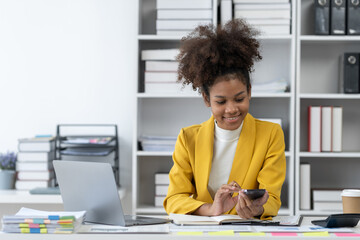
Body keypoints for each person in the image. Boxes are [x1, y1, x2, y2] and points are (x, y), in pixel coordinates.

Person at [163, 19, 286, 220]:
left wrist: (258, 208)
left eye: (239, 99)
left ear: (249, 92)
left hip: (247, 230)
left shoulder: (270, 134)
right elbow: (174, 198)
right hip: (203, 230)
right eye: (220, 102)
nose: (231, 109)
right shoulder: (188, 138)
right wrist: (211, 209)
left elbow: (271, 197)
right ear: (206, 99)